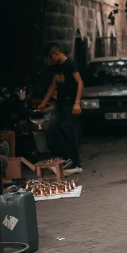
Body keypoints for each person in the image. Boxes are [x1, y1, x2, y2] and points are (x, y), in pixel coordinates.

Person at [38, 42, 84, 176]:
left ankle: (76, 163)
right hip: (60, 104)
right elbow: (53, 85)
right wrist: (44, 102)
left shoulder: (70, 64)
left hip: (70, 103)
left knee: (69, 130)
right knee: (52, 128)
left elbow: (80, 82)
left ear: (56, 53)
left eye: (51, 57)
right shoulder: (57, 67)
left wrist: (77, 103)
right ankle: (66, 156)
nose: (50, 60)